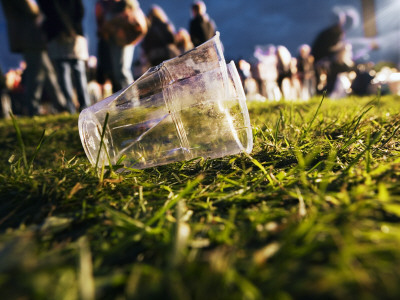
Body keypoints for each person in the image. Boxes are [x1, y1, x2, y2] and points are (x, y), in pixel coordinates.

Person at [0, 0, 68, 116]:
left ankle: (62, 106)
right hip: (29, 37)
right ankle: (32, 109)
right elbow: (32, 9)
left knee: (47, 72)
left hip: (30, 38)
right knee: (35, 74)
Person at [38, 0, 91, 113]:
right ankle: (84, 105)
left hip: (56, 33)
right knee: (78, 70)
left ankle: (71, 106)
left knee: (63, 72)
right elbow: (80, 11)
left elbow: (47, 11)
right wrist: (72, 28)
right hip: (74, 33)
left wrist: (64, 28)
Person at [95, 0, 147, 92]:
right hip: (114, 41)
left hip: (123, 41)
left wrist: (130, 39)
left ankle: (131, 100)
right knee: (117, 72)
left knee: (122, 71)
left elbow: (140, 26)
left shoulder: (127, 4)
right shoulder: (107, 5)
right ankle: (126, 101)